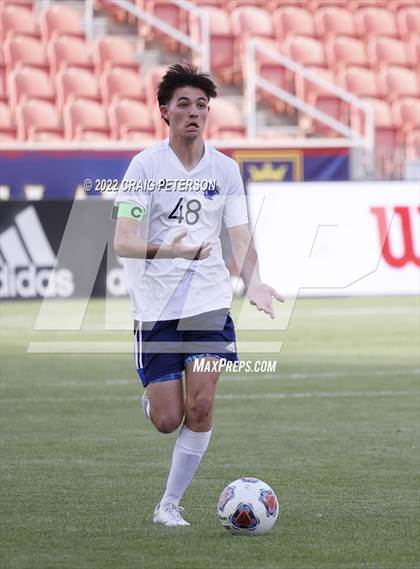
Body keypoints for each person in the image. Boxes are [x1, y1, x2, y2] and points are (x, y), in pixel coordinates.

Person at [113, 62, 283, 527]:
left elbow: (240, 237)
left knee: (201, 404)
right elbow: (123, 240)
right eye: (183, 104)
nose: (193, 112)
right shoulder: (144, 166)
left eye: (202, 105)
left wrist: (255, 282)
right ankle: (151, 399)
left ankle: (169, 504)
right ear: (165, 111)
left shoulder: (225, 170)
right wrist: (169, 251)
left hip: (209, 303)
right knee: (168, 419)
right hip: (155, 306)